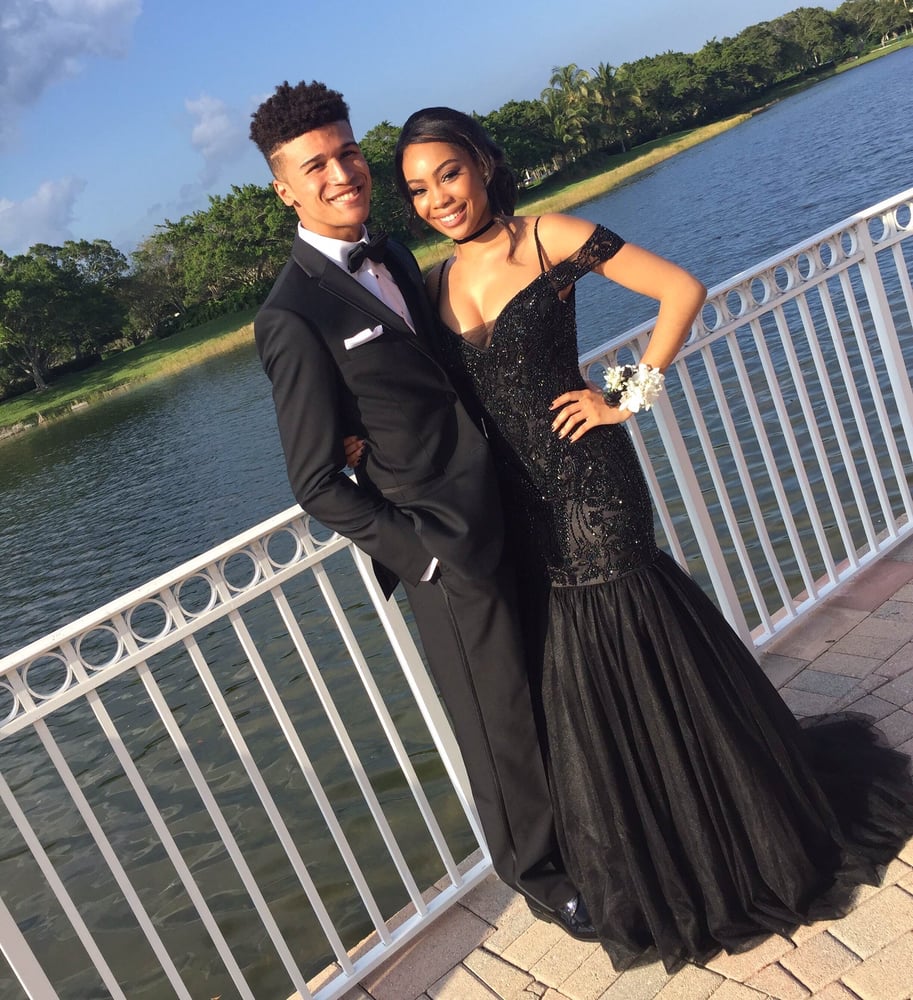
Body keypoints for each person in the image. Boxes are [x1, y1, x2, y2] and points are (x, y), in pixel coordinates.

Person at [390, 106, 913, 973]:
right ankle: (660, 838)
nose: (438, 197)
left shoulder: (550, 237)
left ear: (481, 164)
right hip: (515, 507)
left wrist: (625, 397)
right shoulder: (430, 284)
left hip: (590, 480)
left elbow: (680, 290)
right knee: (577, 666)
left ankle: (738, 829)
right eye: (417, 189)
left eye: (448, 173)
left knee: (641, 631)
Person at [248, 81, 594, 938]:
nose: (340, 174)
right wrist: (425, 557)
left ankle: (590, 830)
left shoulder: (396, 252)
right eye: (314, 166)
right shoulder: (290, 315)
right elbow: (315, 480)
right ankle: (540, 874)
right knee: (497, 718)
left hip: (509, 501)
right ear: (285, 189)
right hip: (442, 547)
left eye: (346, 152)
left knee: (547, 680)